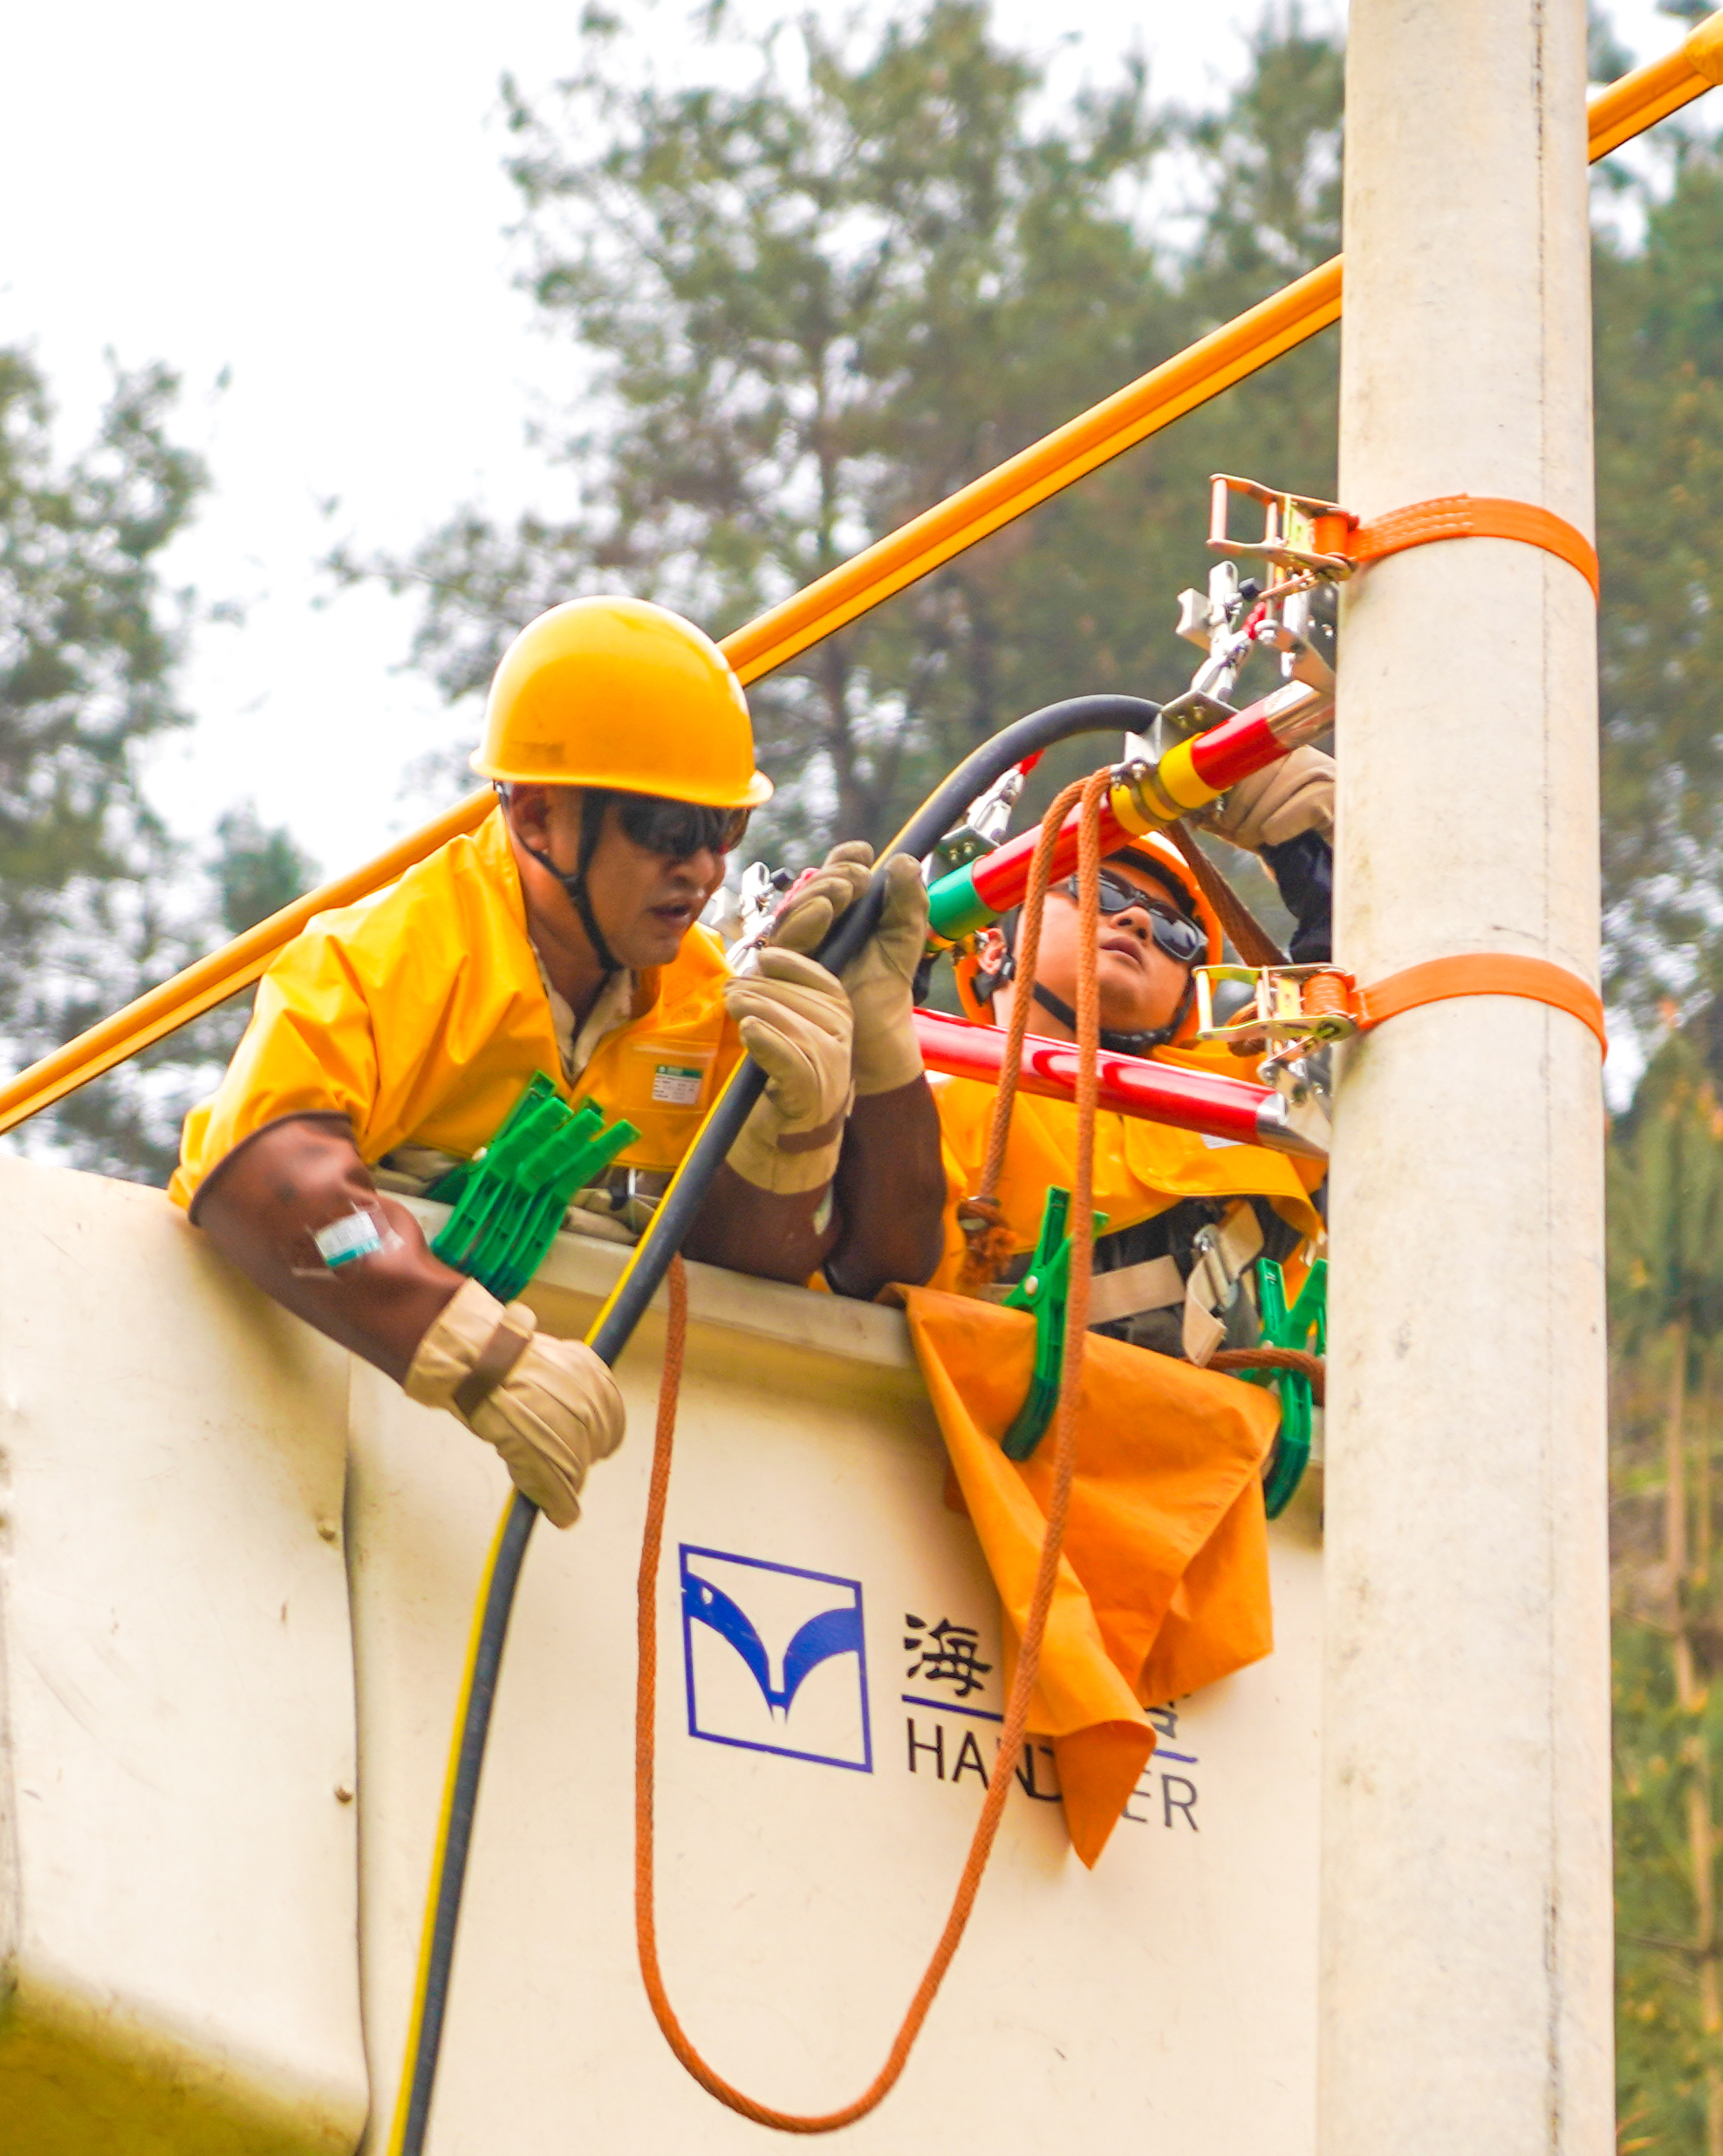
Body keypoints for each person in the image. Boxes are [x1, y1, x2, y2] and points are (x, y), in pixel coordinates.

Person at [173, 597, 940, 1526]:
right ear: (538, 817)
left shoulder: (706, 1003)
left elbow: (855, 1276)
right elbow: (263, 1173)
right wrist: (481, 1358)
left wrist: (836, 1098)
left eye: (722, 830)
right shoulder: (395, 955)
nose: (701, 870)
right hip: (321, 1475)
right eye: (666, 827)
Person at [927, 740, 1332, 1358]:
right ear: (990, 948)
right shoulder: (927, 1094)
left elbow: (1378, 1037)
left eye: (1177, 934)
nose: (1139, 923)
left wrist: (1321, 876)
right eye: (1100, 890)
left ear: (1184, 1000)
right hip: (979, 1421)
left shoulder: (1244, 1087)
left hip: (1222, 1438)